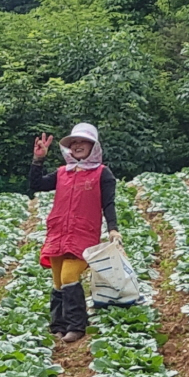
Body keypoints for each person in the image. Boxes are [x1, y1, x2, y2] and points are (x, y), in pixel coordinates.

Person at [29, 123, 122, 343]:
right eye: (75, 143)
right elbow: (36, 185)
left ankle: (77, 326)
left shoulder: (102, 173)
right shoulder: (63, 172)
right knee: (58, 281)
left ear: (94, 146)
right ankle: (58, 326)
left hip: (83, 234)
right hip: (58, 232)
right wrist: (38, 160)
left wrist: (113, 229)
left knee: (69, 276)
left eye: (83, 142)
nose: (78, 146)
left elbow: (108, 204)